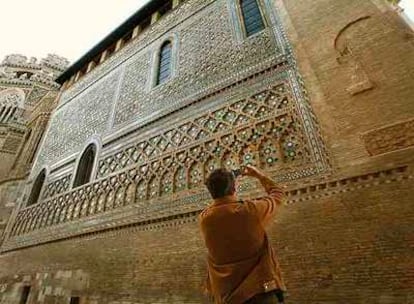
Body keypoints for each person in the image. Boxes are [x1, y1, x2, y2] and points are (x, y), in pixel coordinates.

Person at [199, 165, 287, 304]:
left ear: (210, 191)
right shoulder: (250, 211)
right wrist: (259, 175)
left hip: (225, 297)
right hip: (259, 294)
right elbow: (278, 193)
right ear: (234, 188)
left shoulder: (205, 218)